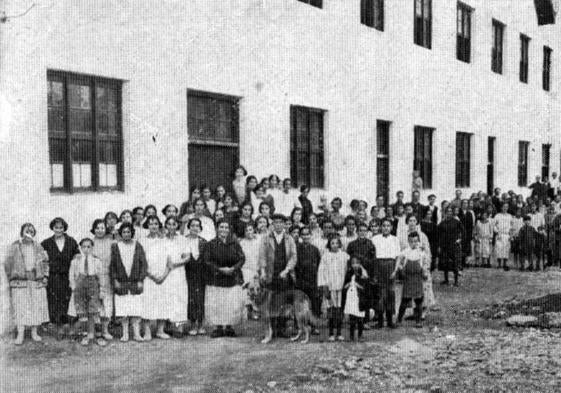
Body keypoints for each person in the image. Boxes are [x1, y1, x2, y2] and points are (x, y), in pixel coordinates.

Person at [4, 223, 50, 345]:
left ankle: (34, 332)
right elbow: (7, 263)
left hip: (35, 280)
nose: (29, 233)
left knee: (36, 305)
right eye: (26, 231)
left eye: (31, 231)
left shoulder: (38, 247)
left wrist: (44, 276)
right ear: (22, 232)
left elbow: (45, 262)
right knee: (21, 307)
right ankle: (21, 333)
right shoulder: (15, 246)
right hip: (20, 282)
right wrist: (14, 276)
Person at [258, 214, 298, 342]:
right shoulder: (266, 238)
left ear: (284, 224)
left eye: (281, 222)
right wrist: (263, 271)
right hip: (271, 276)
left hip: (284, 276)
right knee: (270, 303)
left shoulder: (289, 239)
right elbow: (262, 256)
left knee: (283, 303)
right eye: (276, 222)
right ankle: (270, 331)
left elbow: (293, 257)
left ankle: (282, 329)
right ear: (272, 224)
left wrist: (286, 270)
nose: (278, 225)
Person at [204, 220, 245, 338]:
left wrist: (233, 268)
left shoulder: (235, 244)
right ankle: (218, 327)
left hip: (232, 278)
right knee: (217, 303)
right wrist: (220, 269)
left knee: (231, 304)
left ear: (229, 229)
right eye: (221, 227)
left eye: (226, 227)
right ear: (217, 229)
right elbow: (207, 261)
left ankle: (229, 327)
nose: (224, 230)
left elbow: (242, 259)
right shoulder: (210, 244)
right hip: (216, 279)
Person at [41, 217, 80, 337]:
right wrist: (44, 275)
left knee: (66, 299)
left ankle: (66, 327)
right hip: (53, 276)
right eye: (56, 227)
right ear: (52, 228)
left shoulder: (71, 241)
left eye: (61, 227)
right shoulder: (46, 243)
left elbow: (77, 255)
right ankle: (56, 328)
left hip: (66, 276)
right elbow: (42, 260)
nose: (58, 230)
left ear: (64, 228)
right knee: (53, 300)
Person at [110, 222, 148, 342]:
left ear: (132, 233)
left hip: (134, 282)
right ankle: (125, 333)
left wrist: (141, 280)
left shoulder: (138, 245)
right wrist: (115, 280)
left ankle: (136, 333)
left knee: (135, 308)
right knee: (123, 309)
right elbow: (113, 266)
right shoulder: (116, 246)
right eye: (124, 232)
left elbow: (143, 264)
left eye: (128, 232)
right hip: (122, 282)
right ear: (121, 234)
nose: (126, 234)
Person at [139, 216, 171, 341]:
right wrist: (151, 275)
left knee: (162, 302)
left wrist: (163, 275)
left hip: (163, 277)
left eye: (156, 224)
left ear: (159, 225)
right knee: (147, 303)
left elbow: (169, 260)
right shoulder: (142, 241)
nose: (153, 226)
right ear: (147, 225)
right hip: (148, 277)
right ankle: (147, 331)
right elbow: (140, 261)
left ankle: (160, 330)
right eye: (151, 224)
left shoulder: (164, 241)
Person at [69, 238, 106, 346]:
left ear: (92, 248)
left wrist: (102, 289)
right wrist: (73, 287)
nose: (86, 249)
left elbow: (101, 276)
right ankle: (85, 335)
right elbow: (71, 275)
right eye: (84, 247)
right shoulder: (75, 261)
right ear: (80, 248)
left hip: (93, 288)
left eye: (88, 247)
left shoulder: (96, 261)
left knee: (95, 312)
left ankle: (99, 336)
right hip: (80, 289)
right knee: (82, 313)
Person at [392, 232, 429, 328]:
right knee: (404, 301)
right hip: (408, 279)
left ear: (418, 242)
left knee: (419, 301)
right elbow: (398, 260)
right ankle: (399, 319)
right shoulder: (405, 252)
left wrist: (425, 272)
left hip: (417, 279)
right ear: (408, 241)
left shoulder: (421, 253)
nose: (414, 243)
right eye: (411, 241)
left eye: (416, 241)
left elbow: (425, 264)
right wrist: (399, 268)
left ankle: (418, 321)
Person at [317, 235, 350, 342]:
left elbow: (349, 270)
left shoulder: (344, 256)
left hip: (341, 287)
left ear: (340, 244)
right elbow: (321, 272)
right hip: (330, 287)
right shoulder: (325, 256)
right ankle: (331, 333)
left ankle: (339, 333)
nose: (335, 245)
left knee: (339, 310)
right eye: (332, 243)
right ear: (329, 245)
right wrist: (324, 285)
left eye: (337, 243)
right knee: (331, 310)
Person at [371, 218, 401, 328]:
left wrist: (395, 270)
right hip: (379, 266)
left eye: (388, 226)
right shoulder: (375, 239)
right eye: (383, 225)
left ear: (391, 228)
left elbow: (398, 257)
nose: (386, 228)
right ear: (380, 227)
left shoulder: (395, 239)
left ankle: (389, 321)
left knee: (390, 294)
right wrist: (374, 272)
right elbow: (373, 257)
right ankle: (379, 321)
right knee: (380, 294)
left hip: (390, 266)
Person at [90, 219, 115, 339]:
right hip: (94, 277)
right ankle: (95, 330)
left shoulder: (111, 241)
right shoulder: (90, 242)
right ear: (93, 229)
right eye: (97, 228)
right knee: (95, 303)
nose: (100, 230)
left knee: (107, 303)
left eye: (102, 228)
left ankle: (105, 330)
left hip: (107, 276)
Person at [184, 218, 208, 335]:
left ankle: (201, 323)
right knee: (191, 298)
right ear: (189, 227)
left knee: (201, 298)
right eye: (192, 225)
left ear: (200, 228)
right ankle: (192, 324)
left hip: (201, 274)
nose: (195, 228)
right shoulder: (183, 241)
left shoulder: (204, 242)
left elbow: (206, 259)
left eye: (197, 226)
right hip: (188, 274)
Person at [295, 227, 322, 333]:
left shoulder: (315, 249)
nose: (305, 236)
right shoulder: (297, 248)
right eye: (303, 234)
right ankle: (301, 326)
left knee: (315, 303)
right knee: (300, 304)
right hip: (300, 281)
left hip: (312, 280)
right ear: (300, 236)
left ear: (310, 235)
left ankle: (314, 326)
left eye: (307, 234)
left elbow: (319, 265)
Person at [343, 256, 369, 341]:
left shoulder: (362, 274)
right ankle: (351, 335)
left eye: (357, 263)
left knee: (360, 318)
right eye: (353, 263)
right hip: (351, 297)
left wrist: (358, 285)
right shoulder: (349, 273)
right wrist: (348, 284)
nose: (355, 265)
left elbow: (365, 287)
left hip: (359, 298)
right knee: (352, 318)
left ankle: (360, 335)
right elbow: (345, 285)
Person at [239, 224, 262, 320]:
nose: (249, 232)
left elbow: (261, 256)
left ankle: (256, 310)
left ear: (254, 230)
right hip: (245, 269)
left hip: (256, 269)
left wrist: (258, 270)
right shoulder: (241, 243)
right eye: (246, 230)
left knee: (256, 290)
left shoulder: (258, 241)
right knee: (246, 290)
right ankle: (248, 310)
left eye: (250, 230)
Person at [437, 207, 464, 286]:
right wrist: (439, 245)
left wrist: (460, 239)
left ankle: (456, 281)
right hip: (445, 246)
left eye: (450, 211)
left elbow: (463, 231)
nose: (449, 213)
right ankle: (446, 280)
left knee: (455, 263)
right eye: (447, 212)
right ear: (445, 213)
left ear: (452, 213)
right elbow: (438, 234)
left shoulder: (456, 222)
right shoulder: (442, 223)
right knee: (445, 263)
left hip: (454, 245)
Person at [494, 203, 513, 271]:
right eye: (504, 207)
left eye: (506, 207)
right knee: (499, 248)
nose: (505, 208)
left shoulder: (510, 216)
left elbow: (511, 226)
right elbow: (494, 225)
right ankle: (499, 264)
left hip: (506, 235)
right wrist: (497, 231)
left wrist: (511, 235)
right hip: (499, 234)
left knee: (506, 249)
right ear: (501, 207)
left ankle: (505, 263)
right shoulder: (497, 215)